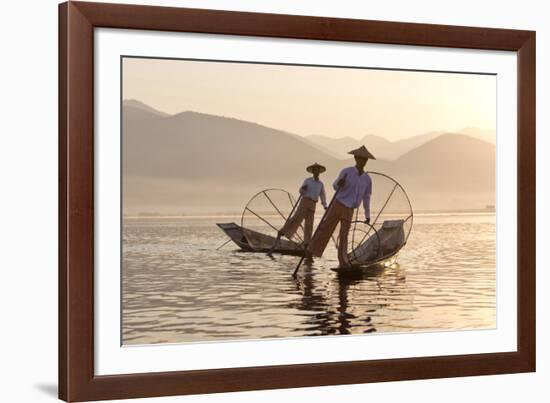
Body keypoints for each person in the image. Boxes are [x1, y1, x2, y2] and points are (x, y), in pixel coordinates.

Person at [307, 146, 375, 268]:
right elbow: (335, 186)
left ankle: (343, 261)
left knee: (344, 235)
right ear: (355, 158)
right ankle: (311, 251)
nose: (363, 161)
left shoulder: (367, 179)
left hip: (350, 209)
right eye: (360, 158)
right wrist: (339, 184)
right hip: (338, 203)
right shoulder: (346, 172)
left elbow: (367, 197)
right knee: (325, 228)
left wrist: (368, 215)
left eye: (365, 159)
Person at [267, 163, 327, 257]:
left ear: (319, 172)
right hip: (305, 201)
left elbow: (322, 195)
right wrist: (303, 189)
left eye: (318, 170)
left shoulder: (320, 184)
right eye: (315, 170)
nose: (316, 172)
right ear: (313, 171)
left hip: (313, 204)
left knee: (309, 224)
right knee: (296, 218)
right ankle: (283, 231)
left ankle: (307, 243)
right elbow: (301, 191)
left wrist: (324, 205)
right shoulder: (308, 180)